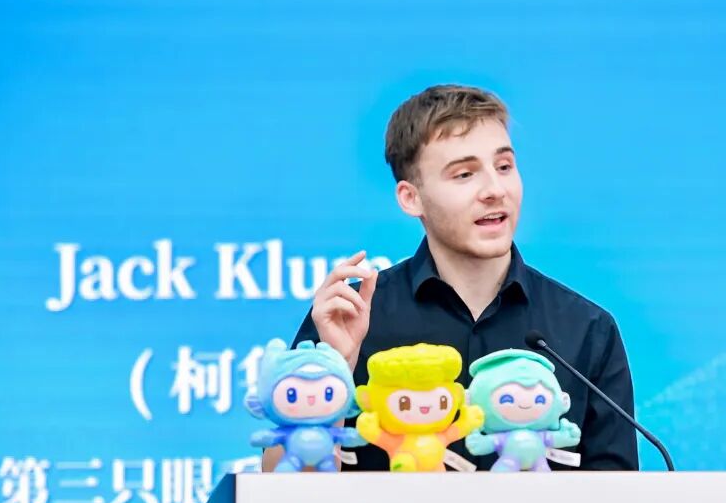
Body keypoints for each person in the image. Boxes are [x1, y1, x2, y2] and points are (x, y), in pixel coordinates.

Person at [267, 84, 638, 472]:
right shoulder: (353, 316)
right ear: (411, 198)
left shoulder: (587, 330)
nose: (495, 190)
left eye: (504, 167)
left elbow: (621, 496)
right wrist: (340, 364)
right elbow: (280, 486)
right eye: (464, 174)